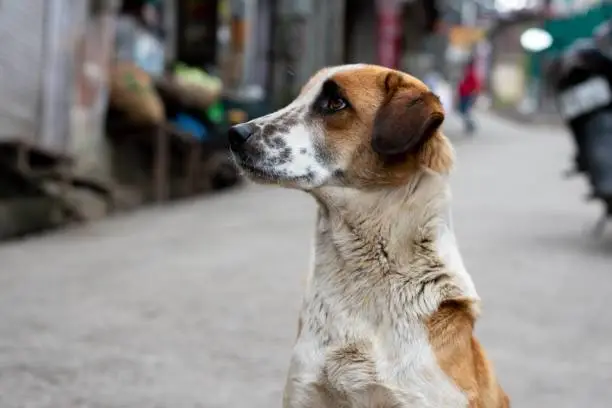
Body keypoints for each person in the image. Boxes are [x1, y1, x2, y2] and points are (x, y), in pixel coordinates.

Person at [457, 57, 481, 134]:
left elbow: (475, 85)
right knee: (463, 110)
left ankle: (471, 125)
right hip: (464, 94)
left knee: (465, 111)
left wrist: (474, 94)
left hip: (467, 95)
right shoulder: (467, 72)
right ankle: (469, 125)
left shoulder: (471, 73)